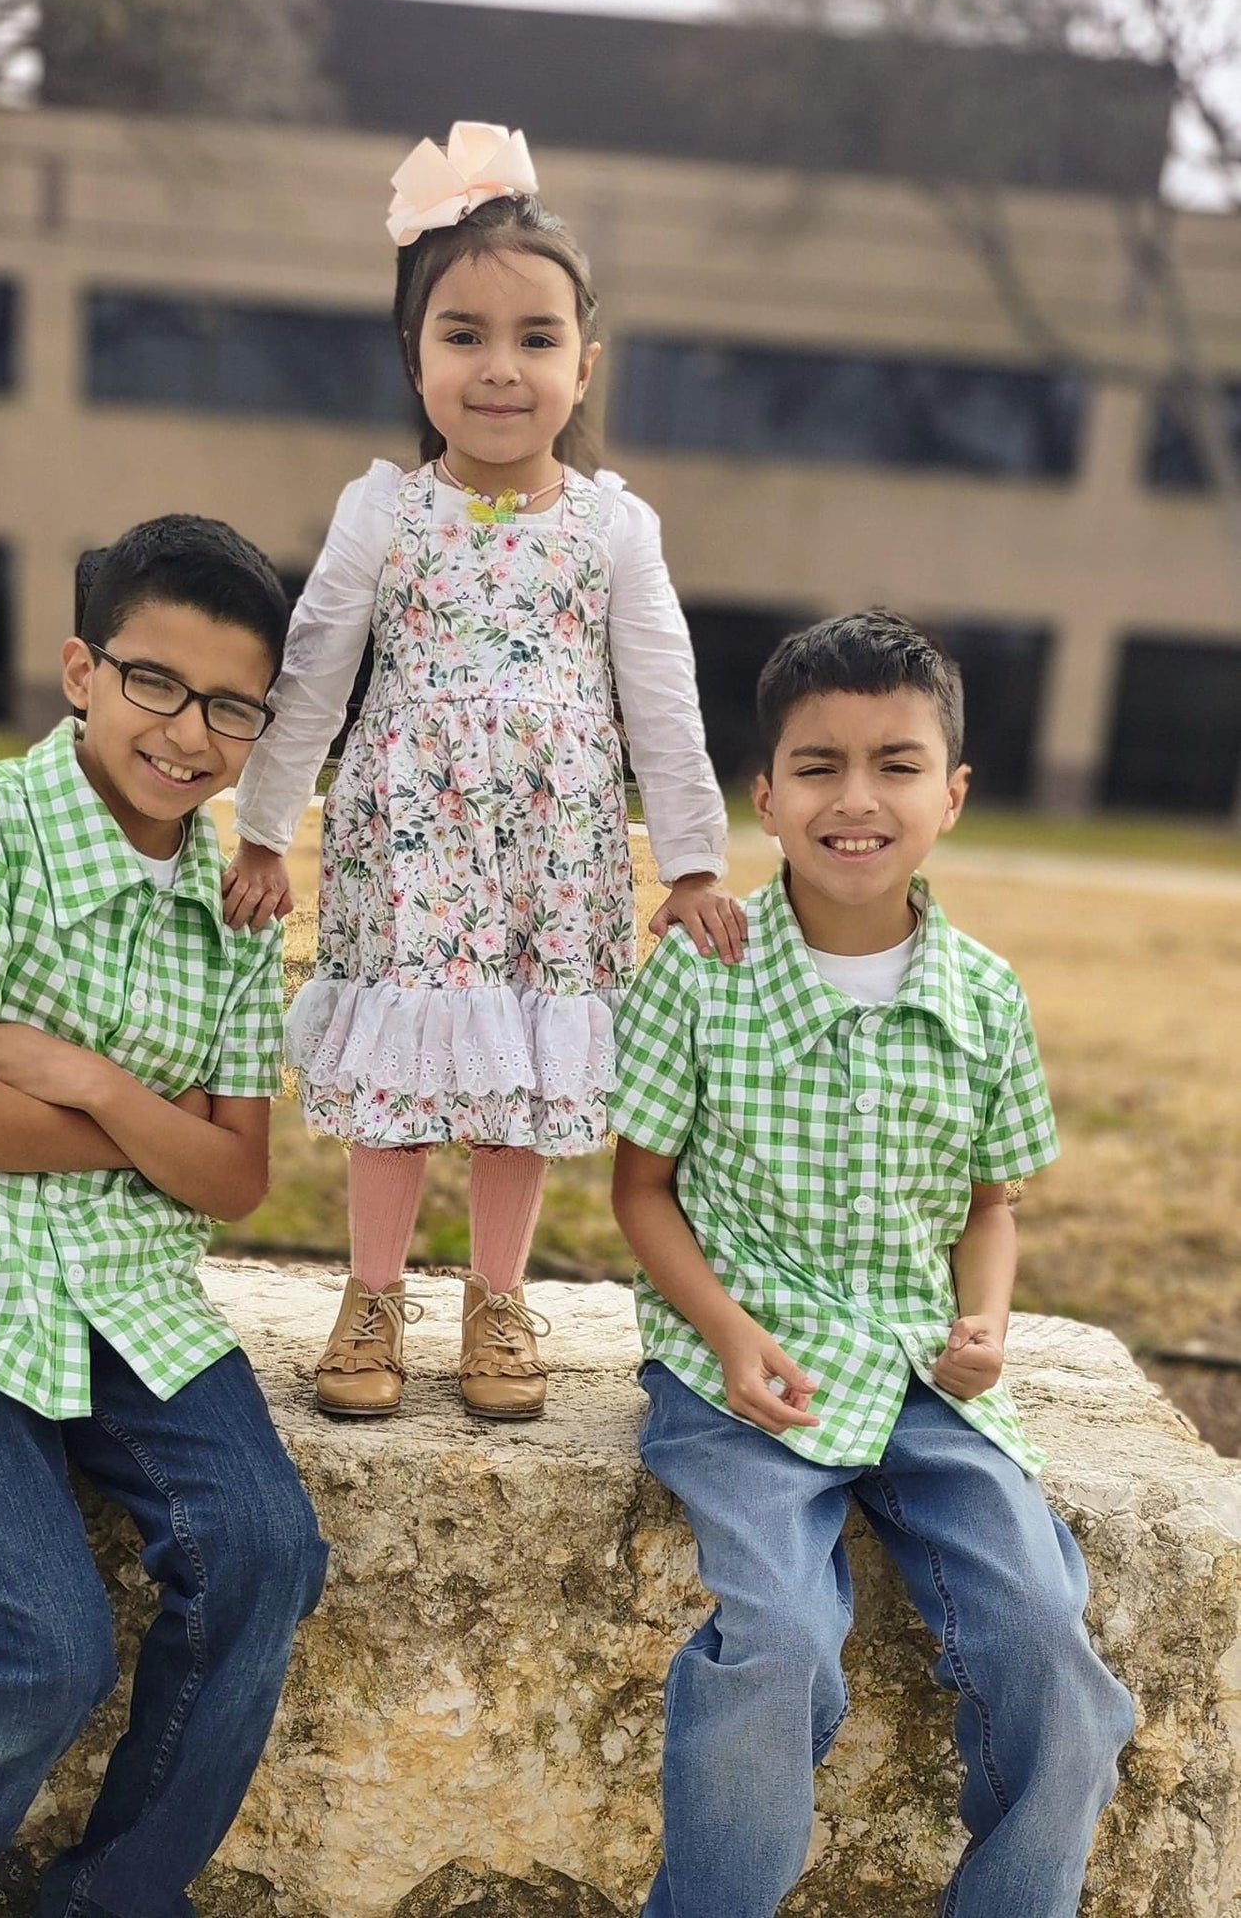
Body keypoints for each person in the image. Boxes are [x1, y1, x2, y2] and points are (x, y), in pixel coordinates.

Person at [0, 517, 329, 1918]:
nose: (189, 733)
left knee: (266, 1554)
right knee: (41, 1648)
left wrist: (90, 1081)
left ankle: (116, 1899)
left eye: (232, 707)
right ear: (82, 670)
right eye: (156, 683)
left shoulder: (234, 907)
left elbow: (235, 1182)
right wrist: (156, 1131)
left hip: (135, 1301)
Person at [609, 610, 1134, 1918]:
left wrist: (985, 1321)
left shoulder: (984, 994)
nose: (856, 798)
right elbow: (640, 1193)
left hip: (923, 1380)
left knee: (1052, 1661)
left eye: (895, 764)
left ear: (949, 796)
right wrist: (727, 1337)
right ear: (765, 796)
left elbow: (989, 1205)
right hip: (742, 1379)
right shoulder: (696, 973)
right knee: (778, 1648)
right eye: (818, 765)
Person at [223, 122, 740, 1420]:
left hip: (548, 865)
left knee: (514, 1090)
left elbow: (661, 701)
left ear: (583, 361)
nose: (498, 368)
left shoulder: (612, 528)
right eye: (462, 335)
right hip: (405, 855)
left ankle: (497, 1299)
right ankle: (375, 1291)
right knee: (397, 1090)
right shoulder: (382, 511)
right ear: (414, 356)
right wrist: (261, 828)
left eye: (533, 338)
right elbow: (316, 674)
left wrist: (688, 862)